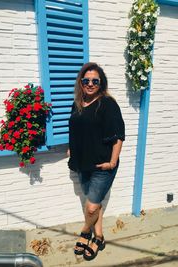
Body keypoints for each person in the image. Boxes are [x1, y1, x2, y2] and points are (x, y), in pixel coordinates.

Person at [68, 62, 125, 261]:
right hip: (83, 163)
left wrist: (112, 162)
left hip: (103, 165)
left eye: (95, 81)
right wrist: (71, 148)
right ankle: (99, 237)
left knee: (91, 207)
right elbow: (75, 129)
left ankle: (85, 232)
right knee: (95, 203)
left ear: (101, 83)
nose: (90, 84)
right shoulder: (77, 103)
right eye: (86, 80)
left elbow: (118, 136)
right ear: (81, 82)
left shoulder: (108, 104)